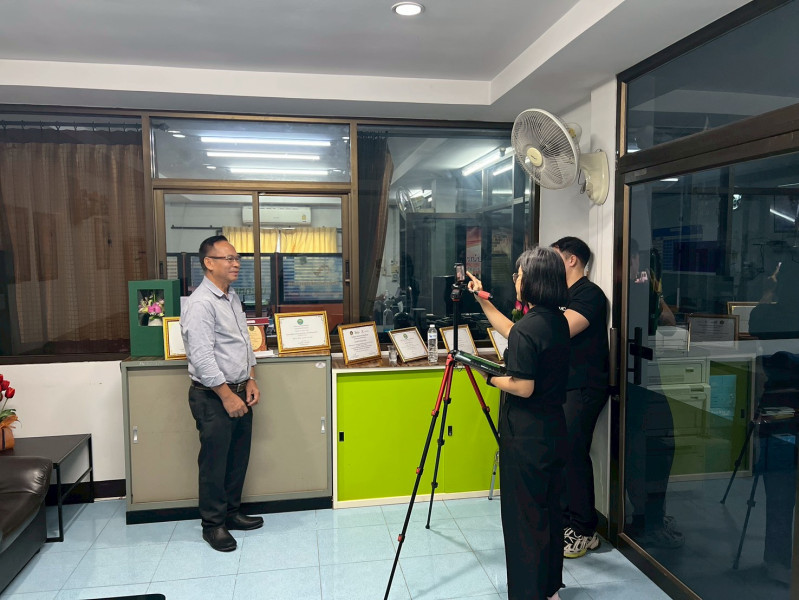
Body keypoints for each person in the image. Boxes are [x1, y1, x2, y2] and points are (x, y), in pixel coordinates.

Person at [467, 246, 570, 600]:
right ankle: (550, 589)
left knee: (523, 519)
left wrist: (489, 375)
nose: (516, 280)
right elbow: (514, 331)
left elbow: (523, 386)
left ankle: (528, 592)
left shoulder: (529, 328)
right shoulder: (555, 320)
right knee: (549, 512)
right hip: (553, 430)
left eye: (519, 275)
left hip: (525, 437)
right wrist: (482, 300)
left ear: (533, 281)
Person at [181, 235, 263, 552]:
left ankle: (231, 513)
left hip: (240, 390)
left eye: (237, 258)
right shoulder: (201, 303)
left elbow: (244, 341)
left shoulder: (231, 297)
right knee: (214, 464)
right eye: (228, 258)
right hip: (213, 396)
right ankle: (213, 525)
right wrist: (227, 395)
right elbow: (202, 358)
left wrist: (251, 378)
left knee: (237, 458)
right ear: (208, 263)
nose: (235, 263)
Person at [550, 237, 609, 559]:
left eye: (554, 257)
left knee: (574, 454)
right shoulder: (561, 295)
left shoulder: (589, 294)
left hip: (585, 386)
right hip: (563, 386)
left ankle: (585, 530)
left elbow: (558, 331)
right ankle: (566, 522)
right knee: (562, 453)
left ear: (572, 259)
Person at [624, 239, 683, 549]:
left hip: (647, 374)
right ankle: (646, 520)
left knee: (659, 447)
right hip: (631, 380)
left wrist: (655, 295)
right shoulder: (619, 293)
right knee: (639, 453)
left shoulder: (647, 292)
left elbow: (668, 320)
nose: (634, 266)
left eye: (636, 260)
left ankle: (652, 517)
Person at [748, 257, 799, 585]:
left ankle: (778, 562)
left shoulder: (766, 314)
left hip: (778, 413)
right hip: (784, 410)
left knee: (780, 491)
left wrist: (768, 291)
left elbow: (755, 322)